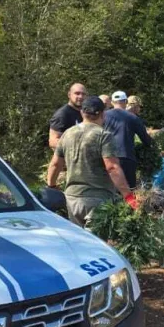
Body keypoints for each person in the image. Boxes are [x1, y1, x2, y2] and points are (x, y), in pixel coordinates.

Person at [46, 96, 136, 228]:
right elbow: (112, 168)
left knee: (78, 242)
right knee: (95, 245)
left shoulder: (67, 134)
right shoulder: (104, 136)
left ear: (82, 112)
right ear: (103, 113)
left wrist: (52, 186)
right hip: (97, 200)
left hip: (72, 199)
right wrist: (129, 197)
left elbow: (55, 164)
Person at [104, 90, 151, 189]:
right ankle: (130, 204)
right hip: (127, 158)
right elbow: (146, 139)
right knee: (129, 190)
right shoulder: (133, 118)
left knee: (109, 191)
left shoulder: (103, 116)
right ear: (125, 102)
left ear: (112, 102)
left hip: (107, 157)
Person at [49, 83, 86, 150]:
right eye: (77, 93)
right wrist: (75, 148)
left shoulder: (85, 112)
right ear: (69, 95)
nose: (80, 96)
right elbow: (53, 141)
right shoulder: (62, 114)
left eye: (83, 94)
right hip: (68, 158)